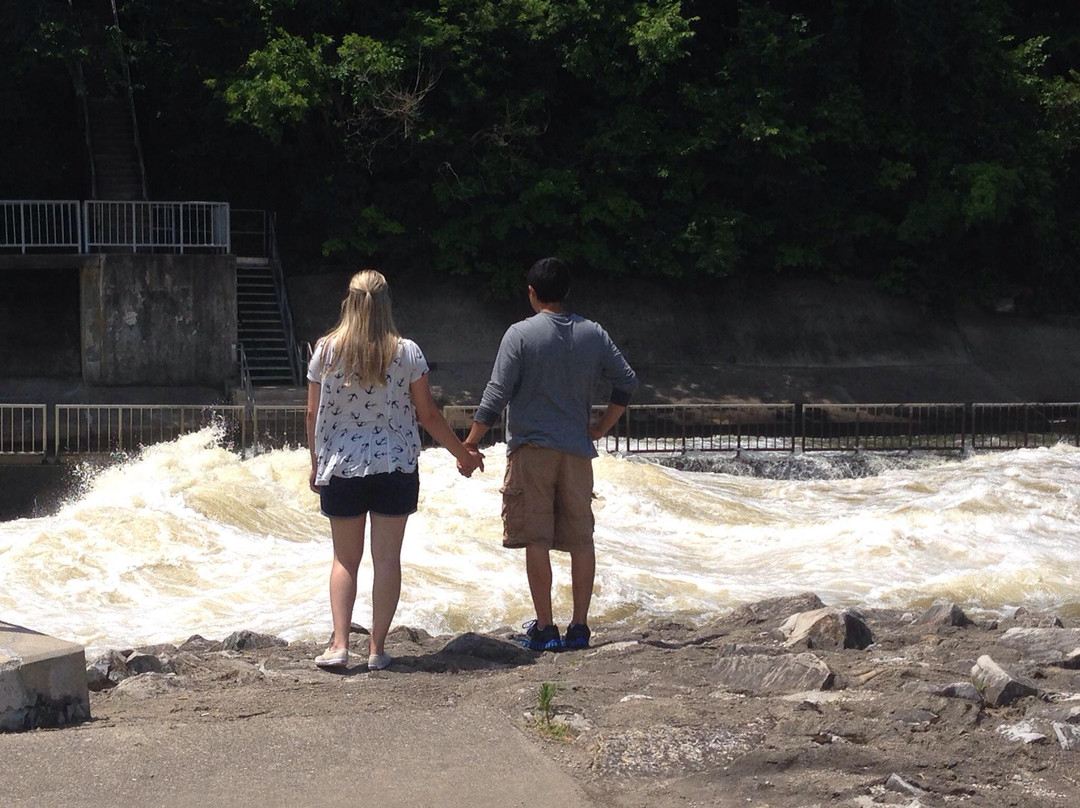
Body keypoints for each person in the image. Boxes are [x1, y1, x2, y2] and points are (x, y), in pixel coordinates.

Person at [306, 269, 483, 670]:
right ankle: (377, 650)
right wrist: (463, 453)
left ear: (348, 302)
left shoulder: (326, 351)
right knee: (386, 560)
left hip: (342, 466)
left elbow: (313, 412)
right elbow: (429, 415)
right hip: (395, 464)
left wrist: (316, 463)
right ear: (387, 303)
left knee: (344, 560)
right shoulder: (407, 353)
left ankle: (338, 645)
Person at [460, 257, 637, 651]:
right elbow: (627, 381)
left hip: (532, 449)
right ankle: (579, 627)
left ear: (531, 293)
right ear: (567, 292)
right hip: (577, 450)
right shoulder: (593, 333)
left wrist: (470, 442)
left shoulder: (520, 335)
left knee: (536, 538)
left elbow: (497, 394)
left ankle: (544, 627)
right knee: (581, 539)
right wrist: (601, 428)